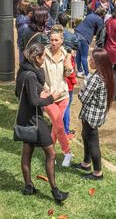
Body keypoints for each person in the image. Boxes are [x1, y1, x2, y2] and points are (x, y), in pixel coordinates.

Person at [15, 43, 69, 203]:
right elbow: (34, 101)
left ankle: (28, 186)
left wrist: (41, 90)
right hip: (35, 120)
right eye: (43, 57)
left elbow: (18, 92)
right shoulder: (31, 75)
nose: (44, 59)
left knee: (27, 154)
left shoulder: (23, 71)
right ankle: (55, 192)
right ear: (36, 58)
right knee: (51, 154)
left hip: (24, 118)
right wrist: (52, 97)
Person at [73, 48, 114, 180]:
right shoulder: (105, 75)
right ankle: (86, 163)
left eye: (92, 59)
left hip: (91, 116)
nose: (89, 60)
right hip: (96, 114)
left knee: (92, 142)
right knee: (85, 136)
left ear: (99, 62)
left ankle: (98, 172)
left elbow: (84, 98)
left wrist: (81, 90)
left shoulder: (96, 79)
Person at [41, 25, 75, 167]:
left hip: (63, 95)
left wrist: (68, 63)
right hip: (49, 96)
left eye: (56, 40)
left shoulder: (65, 55)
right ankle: (67, 152)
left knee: (56, 126)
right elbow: (40, 75)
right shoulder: (44, 53)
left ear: (62, 41)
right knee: (59, 124)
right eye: (51, 39)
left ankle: (50, 154)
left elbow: (68, 75)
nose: (53, 42)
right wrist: (47, 90)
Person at [74, 7, 106, 77]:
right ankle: (87, 73)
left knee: (79, 53)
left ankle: (79, 71)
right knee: (84, 56)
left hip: (77, 32)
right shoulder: (99, 19)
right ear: (102, 14)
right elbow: (100, 31)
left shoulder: (90, 15)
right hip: (85, 37)